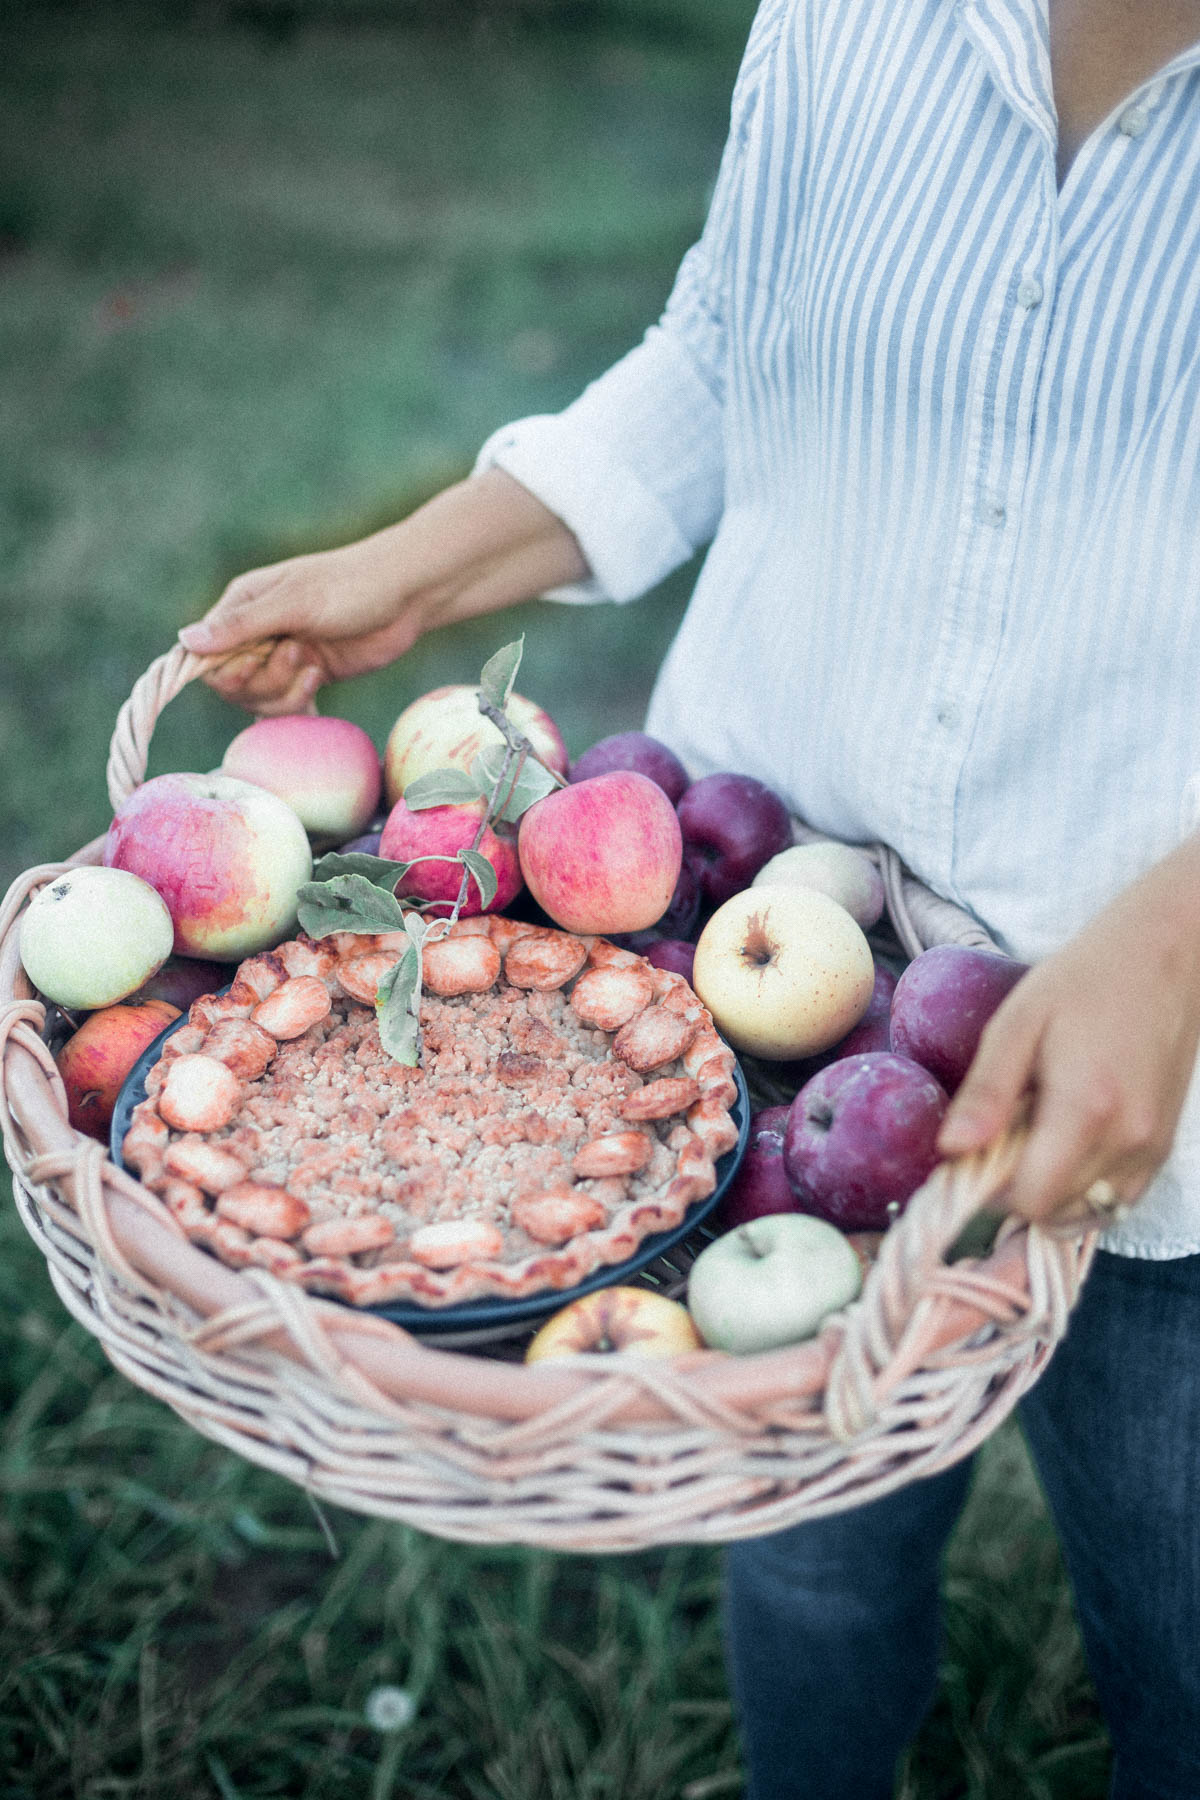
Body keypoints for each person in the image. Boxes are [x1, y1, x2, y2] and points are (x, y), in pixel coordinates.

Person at [178, 1, 1200, 1793]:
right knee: (807, 1565)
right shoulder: (849, 17)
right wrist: (410, 574)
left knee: (1179, 1601)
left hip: (1159, 1056)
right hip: (764, 1008)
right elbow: (726, 356)